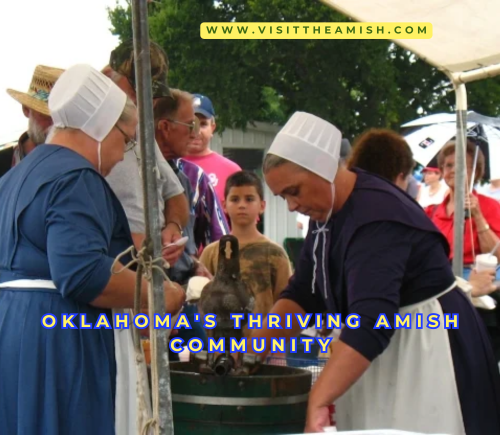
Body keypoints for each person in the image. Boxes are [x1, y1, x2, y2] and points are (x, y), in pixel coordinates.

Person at [252, 111, 500, 434]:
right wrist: (253, 349)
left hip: (424, 346)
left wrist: (319, 397)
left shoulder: (376, 217)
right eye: (283, 196)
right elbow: (304, 292)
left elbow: (371, 321)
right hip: (377, 346)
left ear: (324, 170)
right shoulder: (326, 213)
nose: (291, 205)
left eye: (293, 191)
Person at [0, 64, 185, 435]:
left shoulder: (13, 176)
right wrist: (159, 296)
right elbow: (83, 274)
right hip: (59, 340)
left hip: (14, 330)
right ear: (101, 128)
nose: (122, 155)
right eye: (127, 139)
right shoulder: (75, 179)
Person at [347, 129, 498, 301]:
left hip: (480, 292)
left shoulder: (490, 206)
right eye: (449, 165)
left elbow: (497, 254)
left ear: (476, 171)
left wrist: (478, 217)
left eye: (462, 165)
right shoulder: (430, 211)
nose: (455, 170)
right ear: (441, 171)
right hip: (441, 288)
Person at [103, 39, 190, 267]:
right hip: (112, 267)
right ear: (109, 77)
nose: (141, 100)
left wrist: (173, 227)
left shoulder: (143, 132)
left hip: (148, 270)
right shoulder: (87, 133)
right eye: (135, 89)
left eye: (151, 93)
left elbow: (176, 195)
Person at [200, 170, 292, 337]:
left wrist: (278, 349)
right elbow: (202, 300)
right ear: (224, 205)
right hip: (220, 346)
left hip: (264, 346)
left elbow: (286, 304)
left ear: (262, 205)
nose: (242, 205)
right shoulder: (212, 252)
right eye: (235, 199)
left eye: (249, 199)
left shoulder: (275, 254)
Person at [0, 65, 64, 177]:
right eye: (46, 116)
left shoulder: (76, 164)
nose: (54, 125)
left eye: (60, 118)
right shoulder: (3, 162)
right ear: (26, 110)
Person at [184, 93, 242, 204]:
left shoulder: (232, 170)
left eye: (203, 124)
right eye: (191, 124)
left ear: (213, 128)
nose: (196, 131)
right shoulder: (169, 165)